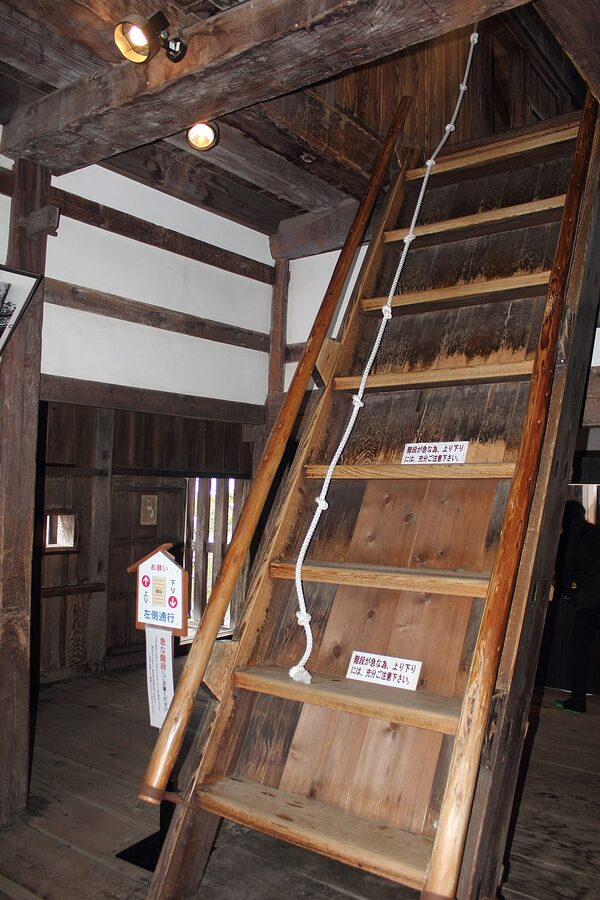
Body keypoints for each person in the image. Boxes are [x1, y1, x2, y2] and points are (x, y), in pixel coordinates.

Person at [554, 500, 600, 714]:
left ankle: (578, 701)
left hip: (591, 600)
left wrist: (568, 595)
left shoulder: (570, 538)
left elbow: (565, 571)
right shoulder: (594, 532)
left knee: (578, 649)